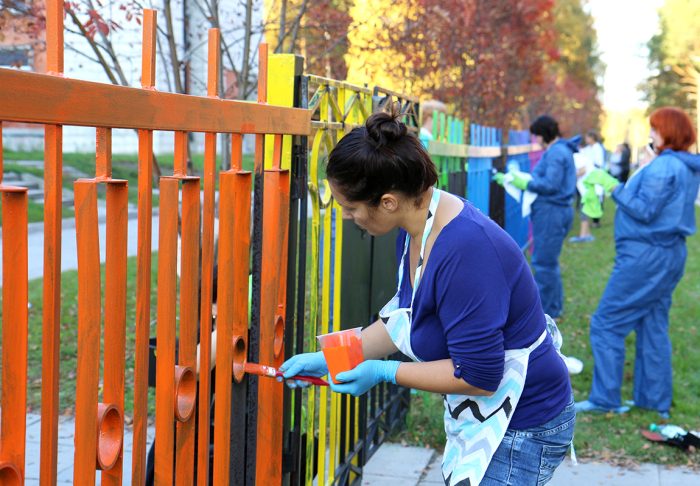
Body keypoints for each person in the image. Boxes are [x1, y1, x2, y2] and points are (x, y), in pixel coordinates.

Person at [281, 109, 574, 485]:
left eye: (350, 208)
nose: (348, 218)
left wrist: (385, 372)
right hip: (492, 419)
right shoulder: (419, 222)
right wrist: (331, 357)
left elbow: (480, 375)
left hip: (522, 426)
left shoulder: (465, 251)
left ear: (387, 201)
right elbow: (405, 318)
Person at [575, 107, 700, 418]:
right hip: (668, 253)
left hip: (646, 256)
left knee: (606, 323)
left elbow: (644, 210)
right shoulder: (683, 166)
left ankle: (606, 398)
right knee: (652, 324)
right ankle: (652, 401)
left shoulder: (665, 166)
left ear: (669, 132)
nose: (651, 135)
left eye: (656, 130)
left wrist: (613, 186)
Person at [505, 116, 578, 319]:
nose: (535, 140)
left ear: (543, 133)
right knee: (549, 262)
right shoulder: (560, 150)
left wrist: (525, 183)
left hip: (551, 213)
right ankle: (554, 308)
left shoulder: (556, 153)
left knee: (543, 263)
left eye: (536, 135)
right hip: (555, 211)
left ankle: (546, 313)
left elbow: (551, 184)